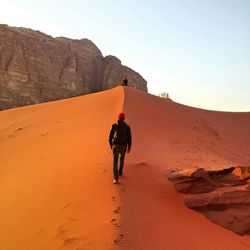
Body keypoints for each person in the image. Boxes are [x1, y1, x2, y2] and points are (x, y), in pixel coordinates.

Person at [109, 113, 132, 184]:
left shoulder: (114, 125)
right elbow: (129, 138)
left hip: (115, 146)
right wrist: (129, 147)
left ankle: (116, 178)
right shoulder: (127, 127)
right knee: (122, 159)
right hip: (123, 146)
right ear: (124, 118)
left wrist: (111, 145)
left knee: (115, 161)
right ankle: (120, 172)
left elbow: (110, 136)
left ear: (118, 118)